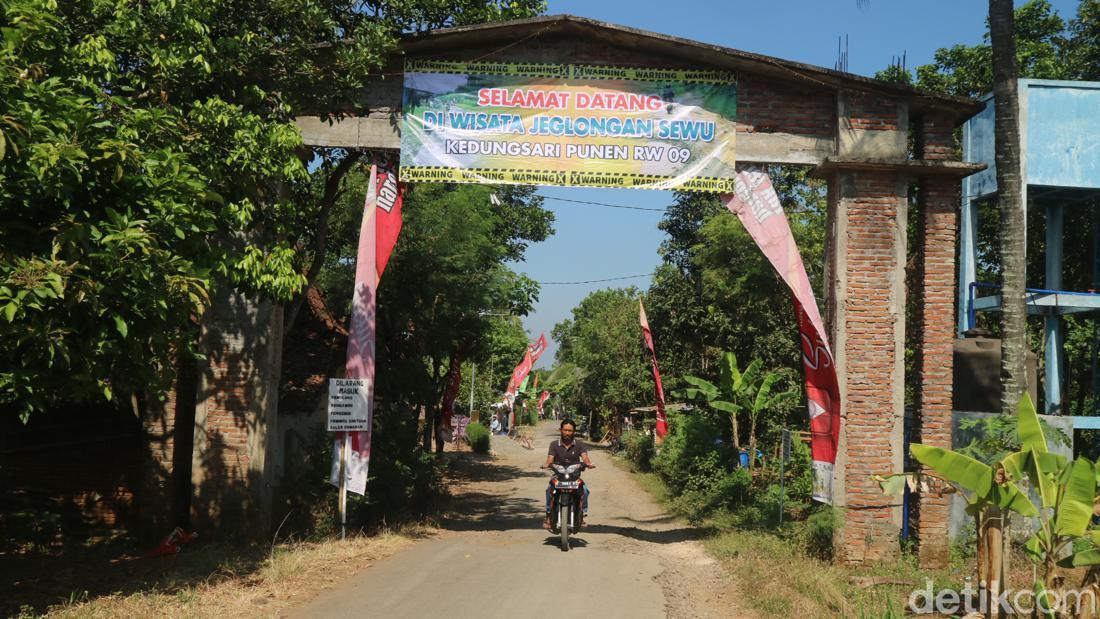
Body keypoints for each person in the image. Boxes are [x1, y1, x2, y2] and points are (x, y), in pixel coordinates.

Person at [541, 418, 595, 529]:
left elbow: (585, 457)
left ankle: (582, 514)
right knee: (549, 490)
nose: (567, 433)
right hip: (558, 476)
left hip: (574, 477)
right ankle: (548, 515)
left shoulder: (580, 445)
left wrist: (588, 464)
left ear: (573, 432)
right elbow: (550, 459)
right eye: (565, 430)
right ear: (561, 430)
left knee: (584, 491)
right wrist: (547, 464)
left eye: (570, 431)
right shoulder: (554, 444)